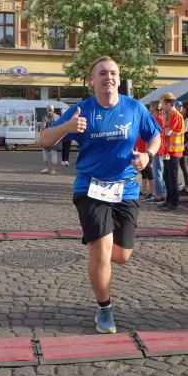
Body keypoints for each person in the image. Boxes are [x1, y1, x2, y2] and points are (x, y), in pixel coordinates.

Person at [39, 56, 161, 334]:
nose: (109, 77)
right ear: (92, 80)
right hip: (90, 189)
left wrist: (147, 155)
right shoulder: (80, 111)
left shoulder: (135, 108)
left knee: (121, 255)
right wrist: (66, 128)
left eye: (113, 73)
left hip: (126, 189)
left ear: (119, 78)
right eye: (103, 73)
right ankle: (105, 308)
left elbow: (155, 137)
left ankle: (102, 261)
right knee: (102, 251)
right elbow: (44, 139)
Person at [160, 92, 185, 211]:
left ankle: (174, 202)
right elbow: (165, 130)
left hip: (174, 151)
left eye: (163, 104)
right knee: (166, 176)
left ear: (169, 104)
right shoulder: (171, 115)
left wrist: (164, 125)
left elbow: (166, 132)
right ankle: (169, 199)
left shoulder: (176, 115)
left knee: (172, 177)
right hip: (168, 151)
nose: (162, 107)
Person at [149, 101, 166, 203]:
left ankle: (159, 195)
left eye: (150, 106)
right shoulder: (159, 117)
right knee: (159, 172)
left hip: (158, 149)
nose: (149, 108)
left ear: (154, 108)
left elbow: (157, 134)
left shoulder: (158, 118)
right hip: (158, 148)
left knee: (157, 173)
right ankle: (162, 193)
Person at [40, 105, 61, 175]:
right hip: (55, 137)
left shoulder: (45, 117)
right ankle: (53, 170)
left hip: (47, 137)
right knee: (54, 153)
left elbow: (43, 127)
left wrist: (41, 136)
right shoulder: (58, 117)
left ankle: (46, 168)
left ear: (47, 110)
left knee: (45, 152)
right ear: (53, 109)